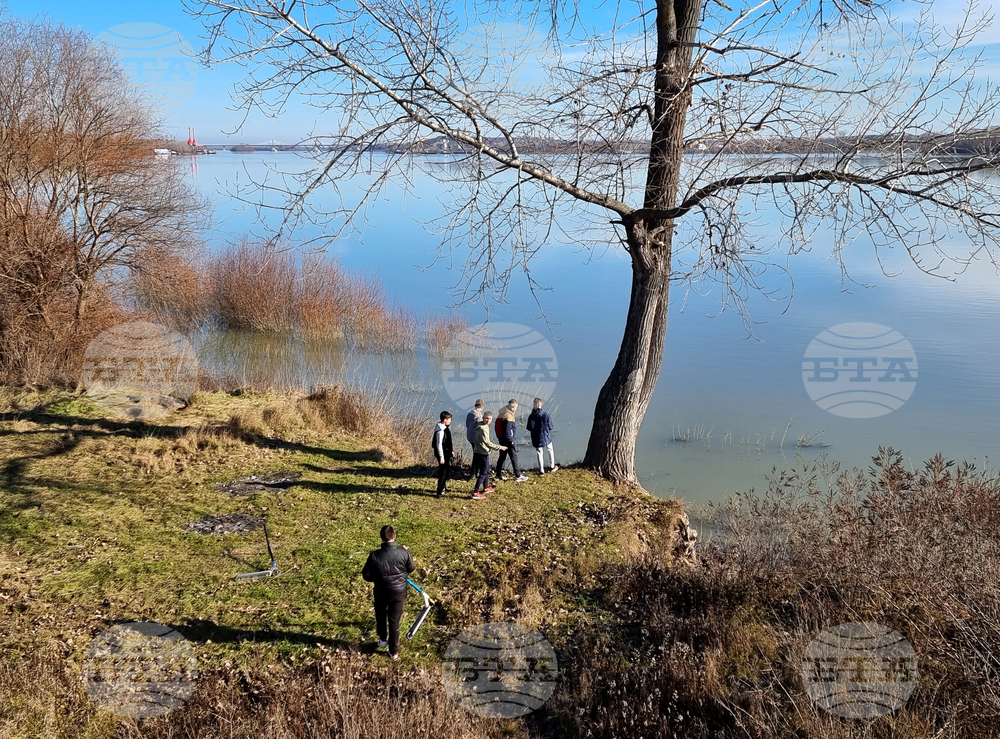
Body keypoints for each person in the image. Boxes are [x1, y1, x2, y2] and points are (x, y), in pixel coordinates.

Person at [361, 525, 415, 661]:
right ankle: (394, 652)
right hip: (398, 592)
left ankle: (383, 639)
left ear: (381, 538)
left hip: (381, 591)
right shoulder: (404, 553)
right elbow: (411, 568)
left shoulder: (374, 555)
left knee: (380, 614)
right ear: (394, 536)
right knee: (394, 620)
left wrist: (378, 578)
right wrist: (407, 554)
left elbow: (366, 575)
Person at [472, 411, 507, 499]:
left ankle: (486, 487)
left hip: (481, 452)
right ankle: (476, 492)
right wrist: (500, 447)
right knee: (483, 473)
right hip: (482, 453)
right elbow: (488, 443)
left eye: (490, 419)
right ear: (483, 418)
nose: (488, 420)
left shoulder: (483, 426)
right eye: (486, 418)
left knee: (487, 471)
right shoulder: (483, 428)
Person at [494, 398, 528, 482]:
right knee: (514, 457)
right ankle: (518, 475)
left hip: (501, 438)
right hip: (508, 440)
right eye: (513, 407)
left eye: (515, 407)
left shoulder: (502, 413)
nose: (514, 408)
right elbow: (507, 430)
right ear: (511, 406)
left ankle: (498, 474)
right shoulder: (508, 416)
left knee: (502, 456)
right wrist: (510, 440)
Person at [526, 397, 558, 474]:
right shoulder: (545, 415)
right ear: (541, 405)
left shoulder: (531, 416)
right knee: (550, 449)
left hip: (536, 437)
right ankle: (552, 466)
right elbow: (551, 427)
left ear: (534, 405)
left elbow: (529, 427)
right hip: (546, 436)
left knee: (539, 452)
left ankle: (541, 470)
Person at [432, 411, 454, 497]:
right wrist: (441, 457)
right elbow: (439, 445)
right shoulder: (440, 431)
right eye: (449, 419)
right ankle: (439, 491)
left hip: (446, 452)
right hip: (442, 453)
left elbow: (448, 441)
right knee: (443, 472)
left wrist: (451, 451)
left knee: (447, 470)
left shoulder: (445, 427)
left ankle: (443, 487)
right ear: (445, 420)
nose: (450, 421)